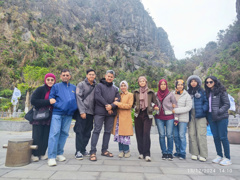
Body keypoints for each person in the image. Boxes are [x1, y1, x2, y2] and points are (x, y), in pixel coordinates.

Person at [47, 69, 78, 166]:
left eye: (67, 75)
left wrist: (74, 108)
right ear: (61, 76)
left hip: (68, 115)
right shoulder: (56, 86)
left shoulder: (74, 87)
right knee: (54, 133)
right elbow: (51, 99)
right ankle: (51, 157)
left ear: (70, 76)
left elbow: (77, 100)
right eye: (63, 75)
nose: (65, 76)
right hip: (57, 113)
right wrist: (61, 106)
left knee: (64, 134)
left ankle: (59, 153)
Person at [89, 70, 120, 161]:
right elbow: (98, 97)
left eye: (111, 77)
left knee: (107, 131)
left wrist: (112, 106)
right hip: (99, 112)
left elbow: (118, 99)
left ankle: (104, 150)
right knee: (96, 130)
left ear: (113, 78)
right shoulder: (99, 86)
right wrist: (108, 105)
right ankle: (93, 151)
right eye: (108, 76)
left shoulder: (115, 89)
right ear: (105, 76)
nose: (109, 78)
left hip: (110, 113)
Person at [204, 76, 231, 166]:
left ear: (215, 82)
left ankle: (227, 158)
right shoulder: (208, 92)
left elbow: (227, 104)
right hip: (211, 118)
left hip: (221, 117)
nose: (209, 84)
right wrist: (208, 117)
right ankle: (219, 155)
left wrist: (219, 111)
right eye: (207, 82)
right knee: (215, 137)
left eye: (210, 82)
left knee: (223, 137)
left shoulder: (221, 91)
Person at [30, 73, 56, 162]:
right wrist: (48, 101)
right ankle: (35, 154)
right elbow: (33, 101)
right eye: (48, 80)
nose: (50, 81)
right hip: (39, 116)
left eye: (52, 80)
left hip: (49, 116)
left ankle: (42, 153)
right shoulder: (40, 89)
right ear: (45, 80)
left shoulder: (55, 90)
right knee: (37, 135)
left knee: (46, 135)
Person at [133, 76, 158, 162]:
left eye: (143, 81)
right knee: (139, 133)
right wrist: (134, 109)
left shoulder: (151, 92)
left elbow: (156, 103)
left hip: (148, 115)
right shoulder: (136, 92)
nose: (142, 82)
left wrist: (154, 107)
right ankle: (141, 152)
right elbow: (132, 103)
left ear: (146, 82)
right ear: (139, 83)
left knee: (146, 133)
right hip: (138, 115)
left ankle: (147, 154)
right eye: (140, 81)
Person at [74, 69, 97, 160]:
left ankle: (83, 149)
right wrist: (82, 111)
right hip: (83, 112)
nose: (91, 76)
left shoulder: (96, 86)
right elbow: (78, 98)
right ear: (87, 75)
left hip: (91, 113)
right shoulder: (81, 84)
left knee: (88, 132)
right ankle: (78, 151)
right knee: (80, 131)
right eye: (90, 74)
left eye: (93, 74)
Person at [154, 79, 177, 161]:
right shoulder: (156, 94)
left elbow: (175, 106)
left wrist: (176, 118)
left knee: (169, 135)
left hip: (169, 117)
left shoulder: (170, 94)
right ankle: (164, 152)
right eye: (161, 84)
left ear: (166, 85)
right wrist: (154, 107)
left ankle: (170, 152)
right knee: (161, 135)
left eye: (164, 84)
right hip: (159, 117)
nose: (163, 85)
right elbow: (152, 103)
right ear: (159, 85)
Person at [187, 75, 208, 162]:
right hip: (190, 114)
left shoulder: (203, 92)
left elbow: (206, 102)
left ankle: (203, 154)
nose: (193, 83)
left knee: (201, 135)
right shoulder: (188, 92)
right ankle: (194, 153)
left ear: (198, 82)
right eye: (191, 81)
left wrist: (203, 109)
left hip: (201, 115)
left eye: (195, 81)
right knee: (192, 134)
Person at [112, 81, 134, 158]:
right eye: (121, 85)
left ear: (127, 86)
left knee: (125, 135)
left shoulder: (130, 95)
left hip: (125, 117)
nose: (123, 87)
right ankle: (121, 151)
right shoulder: (118, 95)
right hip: (118, 117)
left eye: (124, 85)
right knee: (119, 135)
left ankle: (127, 151)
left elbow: (129, 106)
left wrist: (118, 104)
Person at [172, 79, 192, 160]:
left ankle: (182, 153)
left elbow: (188, 107)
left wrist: (176, 110)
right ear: (176, 85)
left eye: (181, 85)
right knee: (175, 136)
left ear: (184, 86)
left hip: (183, 119)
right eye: (178, 84)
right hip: (173, 118)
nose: (180, 86)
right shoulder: (172, 94)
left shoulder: (187, 95)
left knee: (181, 136)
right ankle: (177, 151)